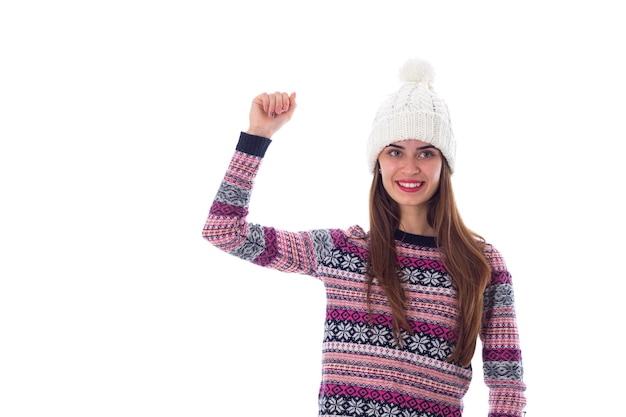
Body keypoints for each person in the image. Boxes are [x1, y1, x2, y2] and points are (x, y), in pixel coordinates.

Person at [202, 58, 526, 417]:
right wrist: (256, 137)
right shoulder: (343, 251)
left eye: (426, 152)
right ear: (378, 162)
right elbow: (224, 231)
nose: (410, 167)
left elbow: (506, 384)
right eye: (395, 151)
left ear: (444, 163)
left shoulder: (481, 263)